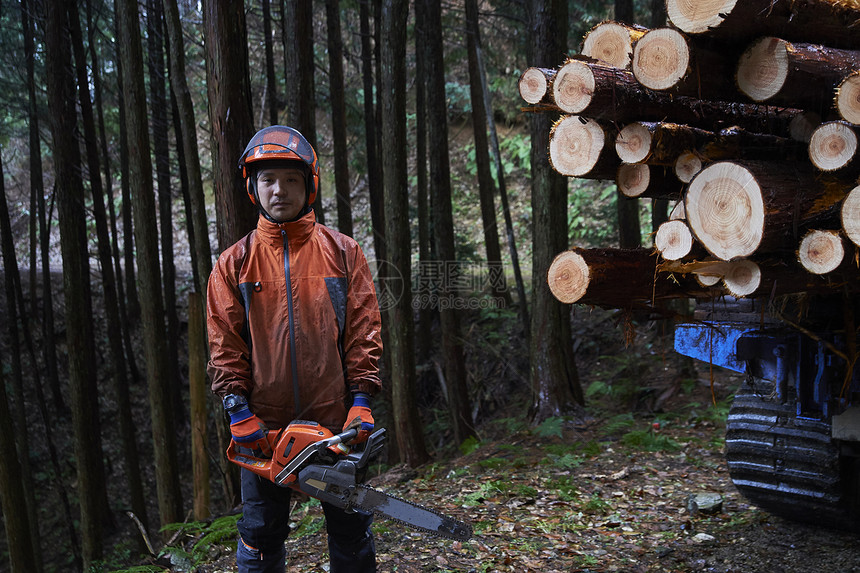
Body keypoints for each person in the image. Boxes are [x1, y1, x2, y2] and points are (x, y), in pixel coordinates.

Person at [206, 125, 383, 573]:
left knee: (350, 532)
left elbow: (363, 330)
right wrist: (236, 409)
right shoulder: (234, 263)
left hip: (333, 423)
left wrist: (360, 401)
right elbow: (224, 344)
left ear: (309, 186)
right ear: (253, 187)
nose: (279, 190)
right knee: (261, 535)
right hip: (263, 428)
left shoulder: (343, 253)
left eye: (290, 179)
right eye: (268, 180)